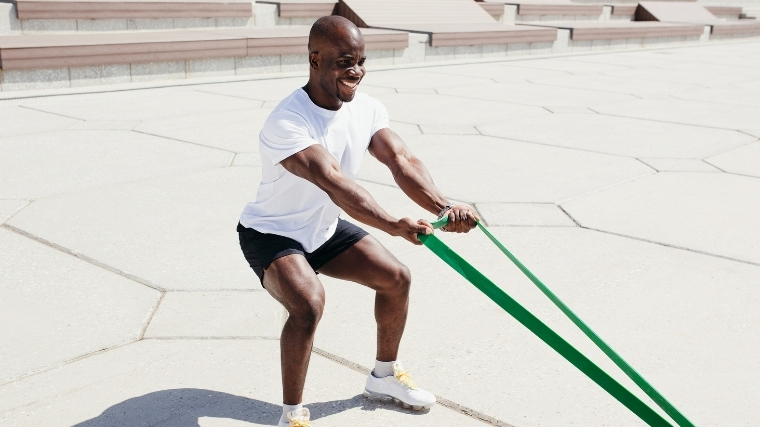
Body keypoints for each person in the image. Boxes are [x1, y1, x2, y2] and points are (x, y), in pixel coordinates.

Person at [237, 15, 479, 427]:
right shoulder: (288, 120)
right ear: (315, 60)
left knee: (396, 278)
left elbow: (399, 160)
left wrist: (443, 207)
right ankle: (291, 415)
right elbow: (333, 181)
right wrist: (392, 224)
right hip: (272, 233)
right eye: (344, 61)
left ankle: (383, 378)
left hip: (323, 228)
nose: (356, 71)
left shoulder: (366, 109)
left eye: (362, 61)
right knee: (308, 305)